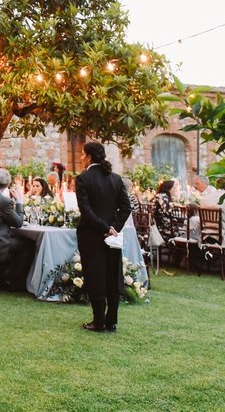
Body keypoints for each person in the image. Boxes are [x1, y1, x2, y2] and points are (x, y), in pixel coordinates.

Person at [75, 141, 132, 333]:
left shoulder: (83, 178)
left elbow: (86, 210)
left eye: (83, 154)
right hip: (112, 236)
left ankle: (99, 321)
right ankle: (111, 321)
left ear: (89, 157)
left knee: (94, 275)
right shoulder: (116, 179)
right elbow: (126, 208)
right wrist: (113, 227)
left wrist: (105, 228)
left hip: (91, 235)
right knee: (112, 275)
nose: (81, 158)